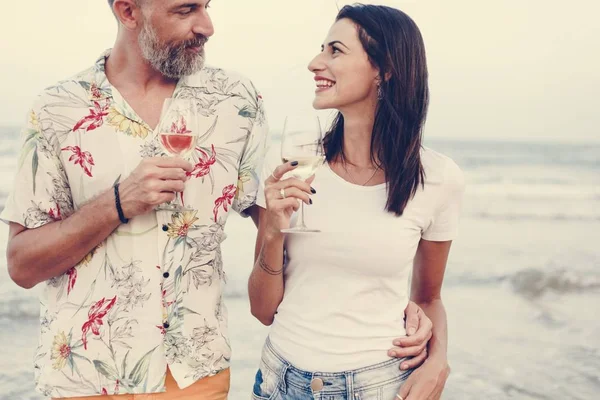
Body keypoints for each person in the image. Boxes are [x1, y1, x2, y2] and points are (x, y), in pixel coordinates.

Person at [2, 1, 431, 399]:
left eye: (206, 6)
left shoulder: (235, 102)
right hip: (82, 377)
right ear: (129, 11)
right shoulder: (58, 110)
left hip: (197, 375)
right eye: (186, 9)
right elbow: (22, 265)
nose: (206, 26)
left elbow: (290, 236)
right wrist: (117, 202)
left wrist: (403, 305)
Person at [248, 4, 465, 400]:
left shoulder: (438, 178)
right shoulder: (290, 166)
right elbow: (262, 311)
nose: (315, 62)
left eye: (335, 50)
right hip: (278, 382)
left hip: (379, 386)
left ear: (384, 69)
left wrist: (438, 362)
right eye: (321, 49)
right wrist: (273, 231)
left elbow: (428, 298)